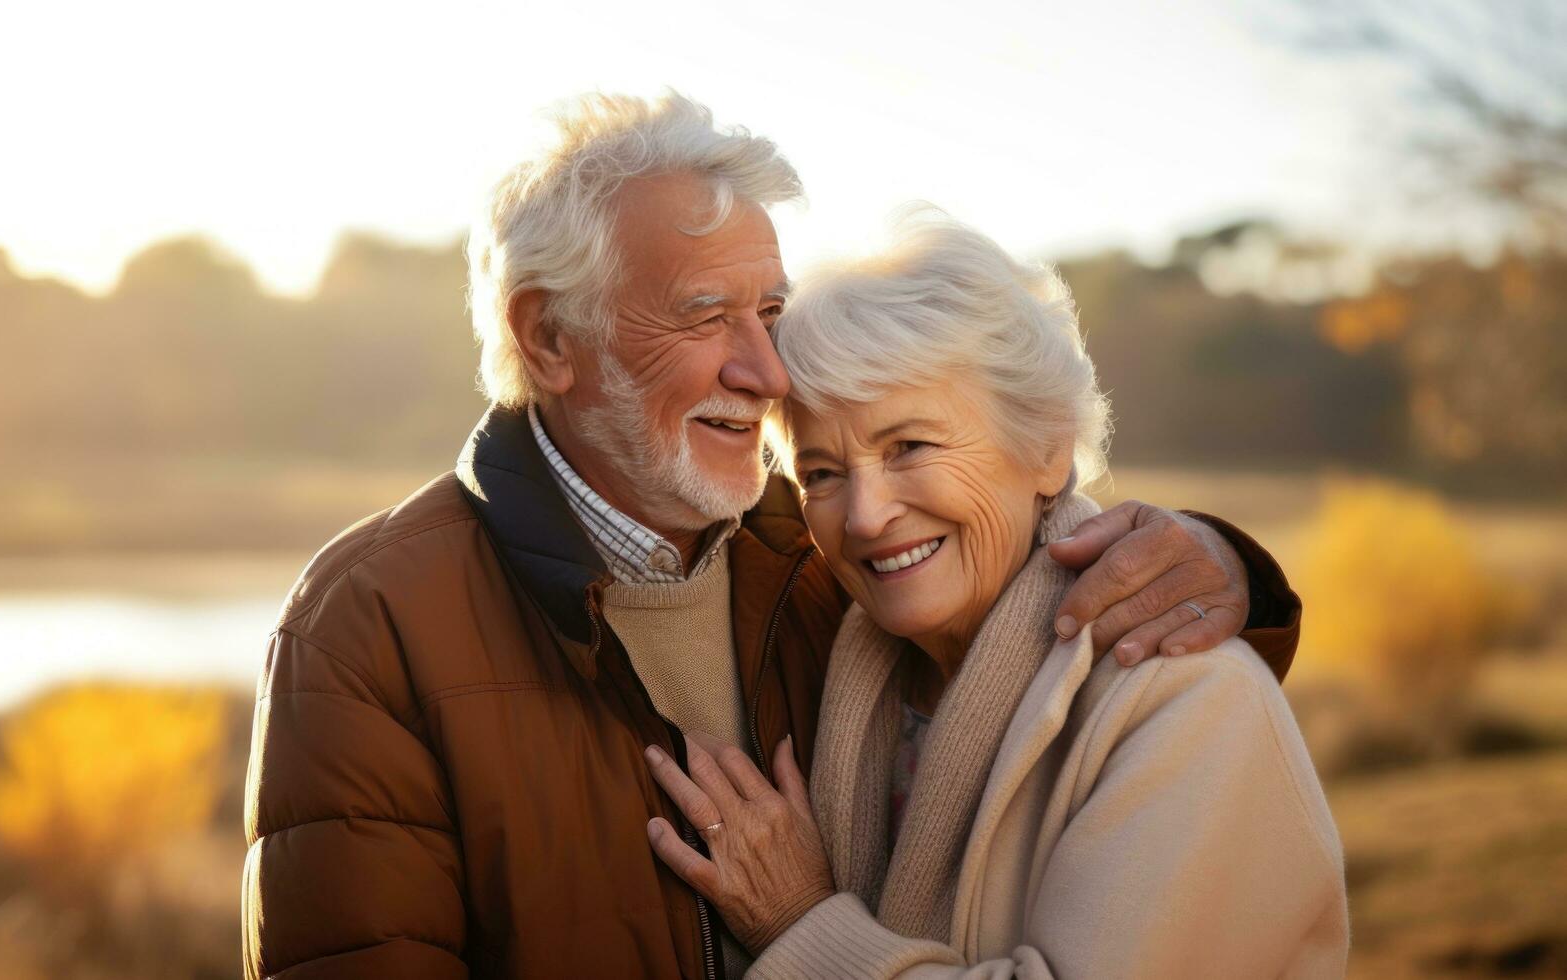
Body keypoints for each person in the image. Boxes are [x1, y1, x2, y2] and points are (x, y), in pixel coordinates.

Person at [241, 93, 1303, 979]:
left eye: (771, 311)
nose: (765, 370)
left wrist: (1216, 559)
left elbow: (1027, 552)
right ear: (548, 336)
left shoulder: (831, 561)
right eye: (708, 317)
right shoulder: (369, 624)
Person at [642, 212, 1347, 977]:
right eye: (820, 474)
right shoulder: (845, 673)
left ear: (1045, 447)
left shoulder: (1186, 698)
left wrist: (801, 926)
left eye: (908, 445)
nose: (866, 515)